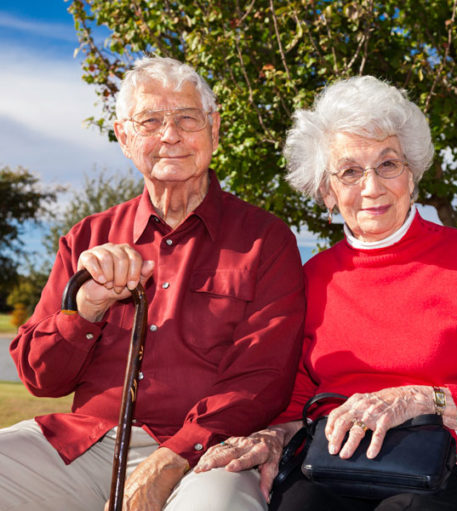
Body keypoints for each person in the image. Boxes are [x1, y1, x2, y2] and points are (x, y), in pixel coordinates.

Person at [195, 76, 457, 511]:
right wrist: (274, 435)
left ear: (412, 171)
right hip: (336, 467)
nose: (371, 187)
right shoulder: (312, 277)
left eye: (387, 164)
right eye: (349, 171)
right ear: (327, 192)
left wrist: (424, 400)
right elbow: (297, 400)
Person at [2, 57, 305, 511]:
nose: (170, 135)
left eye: (187, 118)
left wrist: (171, 458)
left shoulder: (266, 239)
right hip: (85, 444)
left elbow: (262, 379)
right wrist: (84, 309)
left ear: (215, 130)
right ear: (125, 138)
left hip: (208, 455)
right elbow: (39, 377)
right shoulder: (87, 237)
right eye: (150, 121)